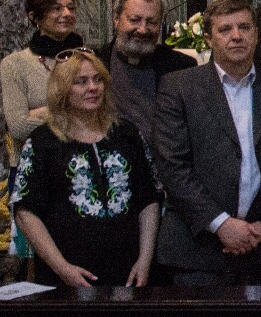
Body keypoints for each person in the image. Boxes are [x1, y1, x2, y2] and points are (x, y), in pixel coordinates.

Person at [152, 0, 261, 286]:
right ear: (209, 38)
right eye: (225, 30)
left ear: (256, 34)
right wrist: (220, 223)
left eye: (244, 27)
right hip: (197, 254)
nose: (236, 36)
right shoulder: (179, 87)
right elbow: (173, 167)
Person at [11, 51, 159, 288]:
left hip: (128, 274)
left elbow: (149, 199)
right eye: (80, 82)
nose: (92, 87)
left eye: (97, 79)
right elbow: (26, 211)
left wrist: (145, 260)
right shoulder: (43, 142)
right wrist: (62, 268)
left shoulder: (127, 134)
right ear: (62, 90)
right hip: (65, 276)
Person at [1, 0, 86, 263]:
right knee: (38, 263)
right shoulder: (15, 64)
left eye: (71, 7)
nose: (66, 13)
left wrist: (42, 112)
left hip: (82, 167)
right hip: (37, 170)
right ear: (34, 16)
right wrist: (68, 109)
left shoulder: (88, 58)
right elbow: (19, 126)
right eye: (56, 8)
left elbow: (98, 115)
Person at [93, 0, 196, 137]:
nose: (143, 29)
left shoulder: (181, 66)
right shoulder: (96, 62)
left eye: (152, 22)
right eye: (135, 20)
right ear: (116, 19)